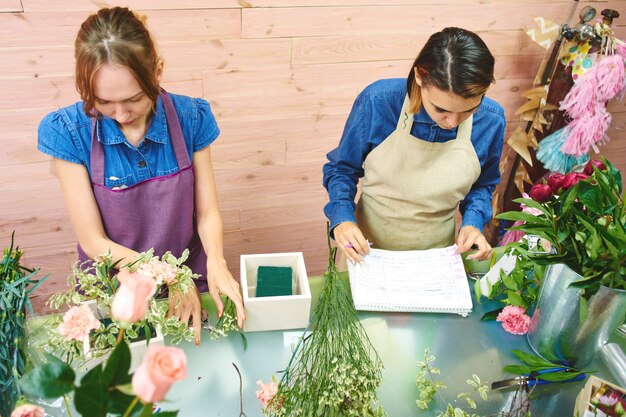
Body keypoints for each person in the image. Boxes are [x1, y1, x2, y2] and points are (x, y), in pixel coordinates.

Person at [37, 7, 245, 344]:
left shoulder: (191, 117)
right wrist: (171, 277)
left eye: (133, 99)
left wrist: (217, 263)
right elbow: (94, 241)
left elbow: (207, 212)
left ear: (157, 71)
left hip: (189, 281)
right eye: (103, 102)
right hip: (115, 291)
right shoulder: (68, 132)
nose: (120, 114)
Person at [323, 27, 505, 264]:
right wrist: (343, 220)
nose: (452, 123)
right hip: (365, 253)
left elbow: (482, 185)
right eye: (441, 109)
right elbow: (342, 170)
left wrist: (473, 222)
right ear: (419, 76)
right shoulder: (378, 102)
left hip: (436, 259)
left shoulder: (491, 120)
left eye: (469, 111)